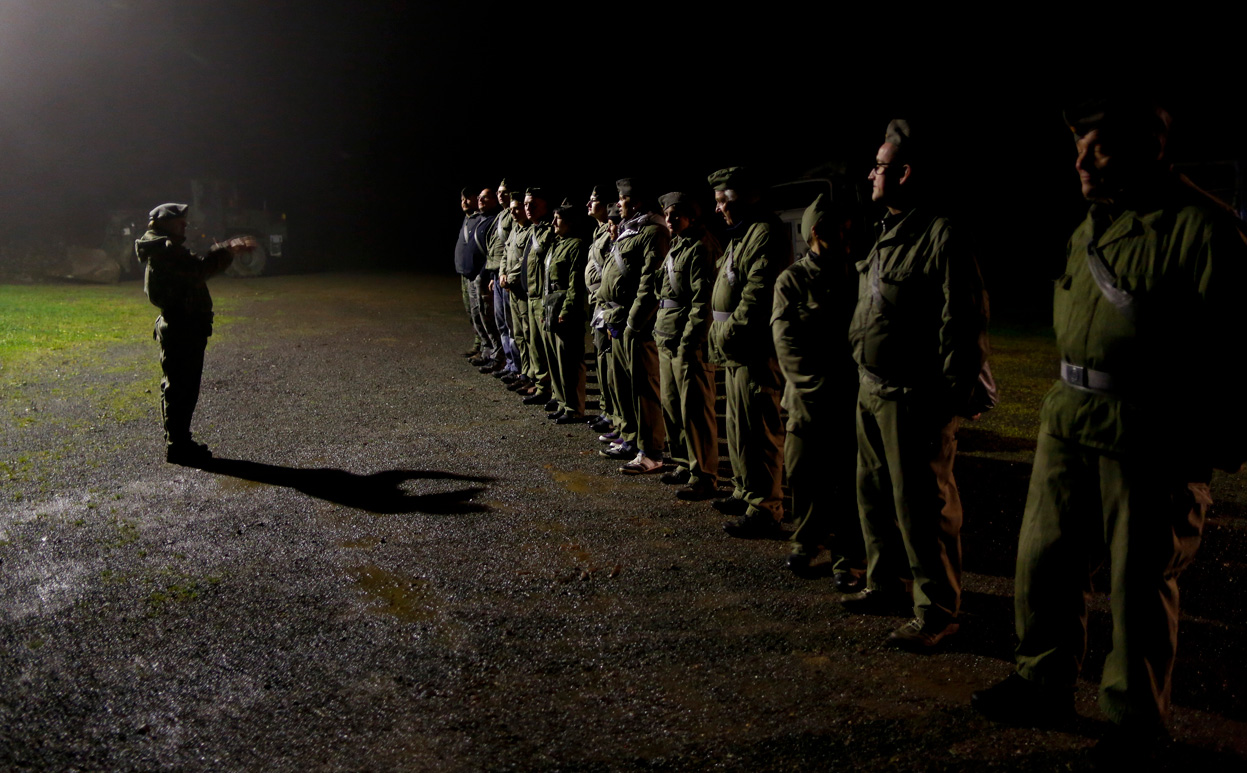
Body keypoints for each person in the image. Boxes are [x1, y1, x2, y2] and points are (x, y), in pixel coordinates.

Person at [972, 99, 1247, 752]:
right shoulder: (1090, 226)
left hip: (1150, 431)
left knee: (1137, 582)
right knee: (1044, 562)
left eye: (1096, 147)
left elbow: (1237, 351)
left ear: (1147, 147)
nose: (1079, 161)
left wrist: (1205, 448)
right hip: (1068, 416)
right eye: (1078, 147)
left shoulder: (1200, 229)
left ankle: (1133, 717)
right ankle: (1041, 680)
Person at [841, 120, 989, 652]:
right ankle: (885, 584)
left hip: (914, 397)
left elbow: (963, 323)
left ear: (904, 173)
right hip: (872, 388)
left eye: (879, 166)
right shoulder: (885, 231)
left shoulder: (941, 235)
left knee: (924, 507)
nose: (871, 174)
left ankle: (937, 610)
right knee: (874, 497)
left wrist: (949, 401)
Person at [772, 194, 866, 591]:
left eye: (848, 230)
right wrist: (813, 387)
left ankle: (849, 556)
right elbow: (785, 339)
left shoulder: (859, 274)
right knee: (803, 474)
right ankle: (806, 540)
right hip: (808, 399)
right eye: (838, 231)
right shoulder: (792, 280)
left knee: (849, 480)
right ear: (817, 233)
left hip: (852, 397)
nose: (847, 238)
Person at [135, 203, 255, 465]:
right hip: (181, 327)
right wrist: (227, 250)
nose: (185, 225)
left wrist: (222, 250)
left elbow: (194, 267)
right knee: (180, 389)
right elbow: (198, 270)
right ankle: (178, 446)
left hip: (184, 326)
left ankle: (179, 442)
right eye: (179, 222)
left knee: (182, 388)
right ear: (164, 224)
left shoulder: (164, 247)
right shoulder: (165, 249)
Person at [706, 167, 791, 536]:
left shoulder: (766, 234)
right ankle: (745, 489)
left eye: (724, 200)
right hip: (736, 347)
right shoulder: (743, 235)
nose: (719, 209)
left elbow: (757, 295)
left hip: (754, 347)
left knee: (760, 430)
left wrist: (726, 333)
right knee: (739, 426)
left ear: (748, 196)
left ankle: (766, 507)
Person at [653, 191, 721, 500]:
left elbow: (701, 302)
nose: (668, 219)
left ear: (692, 217)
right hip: (666, 335)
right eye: (667, 214)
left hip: (685, 340)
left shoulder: (701, 247)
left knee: (695, 409)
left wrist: (690, 340)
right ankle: (682, 461)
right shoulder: (677, 245)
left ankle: (703, 473)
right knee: (671, 403)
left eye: (675, 215)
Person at [600, 178, 669, 474]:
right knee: (624, 384)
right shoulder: (630, 231)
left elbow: (649, 284)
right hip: (617, 319)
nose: (618, 204)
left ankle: (651, 450)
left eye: (622, 198)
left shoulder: (652, 232)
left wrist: (633, 322)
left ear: (636, 201)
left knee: (643, 387)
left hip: (636, 324)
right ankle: (631, 439)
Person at [541, 200, 591, 423]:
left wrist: (567, 309)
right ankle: (562, 402)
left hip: (564, 306)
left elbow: (575, 284)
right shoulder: (556, 244)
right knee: (555, 358)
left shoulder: (576, 245)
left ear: (570, 222)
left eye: (558, 219)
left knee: (569, 361)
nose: (553, 223)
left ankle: (574, 408)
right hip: (551, 303)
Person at [585, 185, 618, 435]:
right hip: (598, 303)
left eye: (594, 200)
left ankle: (613, 412)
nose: (589, 204)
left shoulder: (611, 233)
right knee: (600, 358)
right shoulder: (600, 232)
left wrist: (600, 295)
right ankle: (608, 409)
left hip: (606, 304)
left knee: (608, 361)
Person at [520, 187, 557, 408]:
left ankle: (554, 392)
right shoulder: (533, 229)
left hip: (543, 298)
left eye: (533, 204)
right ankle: (542, 387)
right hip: (530, 295)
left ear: (545, 205)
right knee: (535, 346)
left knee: (547, 348)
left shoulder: (549, 230)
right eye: (526, 204)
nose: (528, 208)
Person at [487, 180, 521, 379]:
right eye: (499, 192)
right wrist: (495, 274)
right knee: (502, 323)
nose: (501, 195)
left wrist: (506, 273)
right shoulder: (501, 215)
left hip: (508, 276)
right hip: (499, 274)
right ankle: (509, 363)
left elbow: (513, 249)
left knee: (511, 324)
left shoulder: (515, 216)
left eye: (505, 192)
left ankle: (517, 366)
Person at [468, 187, 505, 373]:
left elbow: (496, 251)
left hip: (488, 275)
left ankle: (499, 355)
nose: (481, 200)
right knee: (479, 314)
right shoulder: (480, 219)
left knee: (491, 317)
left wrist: (487, 273)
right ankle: (489, 351)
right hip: (476, 275)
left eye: (486, 197)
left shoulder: (496, 220)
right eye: (480, 197)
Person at [455, 188, 482, 358]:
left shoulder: (480, 220)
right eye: (462, 199)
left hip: (476, 274)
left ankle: (485, 347)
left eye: (468, 198)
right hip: (464, 273)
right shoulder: (467, 220)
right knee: (470, 311)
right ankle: (478, 342)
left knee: (480, 311)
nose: (464, 202)